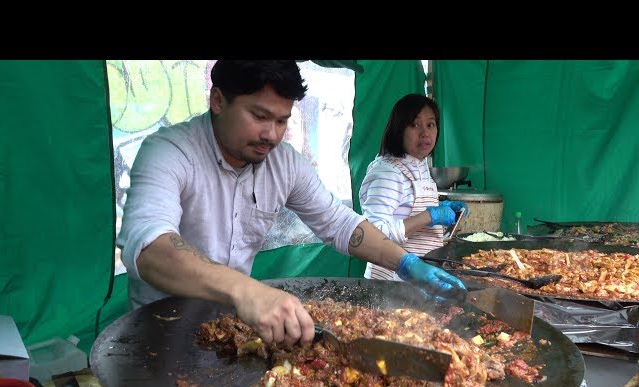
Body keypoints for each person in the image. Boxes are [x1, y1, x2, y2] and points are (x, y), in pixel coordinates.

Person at [117, 61, 466, 349]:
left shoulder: (283, 162)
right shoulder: (169, 152)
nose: (271, 133)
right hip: (162, 337)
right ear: (218, 100)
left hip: (235, 330)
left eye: (282, 120)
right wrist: (247, 290)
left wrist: (405, 263)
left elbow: (341, 224)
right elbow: (151, 248)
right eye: (259, 115)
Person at [359, 93, 469, 281]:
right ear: (399, 129)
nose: (425, 133)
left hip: (418, 280)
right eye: (415, 125)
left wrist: (443, 209)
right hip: (390, 283)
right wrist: (429, 216)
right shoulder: (387, 172)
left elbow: (406, 208)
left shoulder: (419, 165)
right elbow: (372, 233)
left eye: (430, 124)